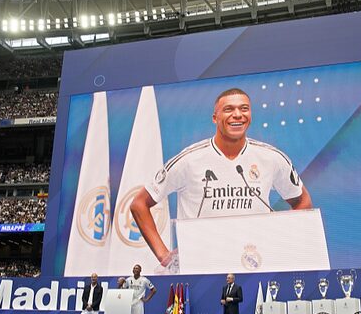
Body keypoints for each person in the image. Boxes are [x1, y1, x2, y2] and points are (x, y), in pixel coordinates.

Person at [130, 88, 313, 271]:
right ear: (214, 118)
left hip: (253, 264)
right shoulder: (189, 160)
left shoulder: (271, 158)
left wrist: (277, 238)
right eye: (228, 109)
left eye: (244, 109)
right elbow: (139, 204)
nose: (237, 115)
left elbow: (302, 201)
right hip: (202, 266)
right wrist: (164, 255)